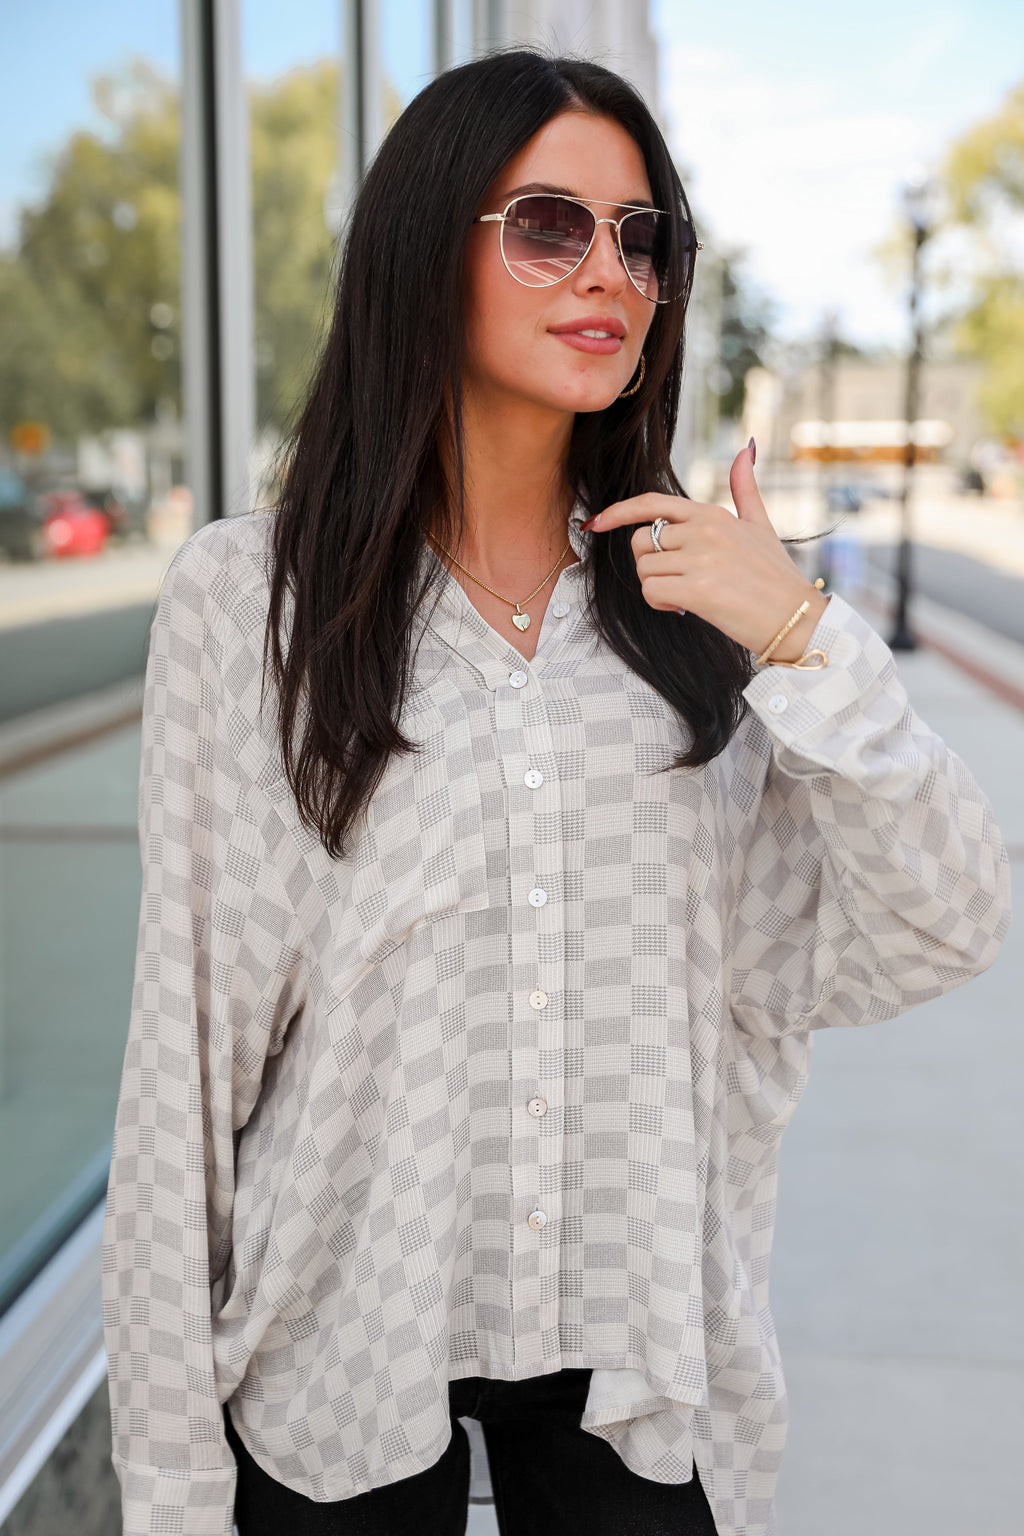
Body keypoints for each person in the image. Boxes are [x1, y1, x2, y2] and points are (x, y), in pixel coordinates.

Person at [101, 49, 1010, 1536]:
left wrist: (802, 634)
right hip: (334, 1368)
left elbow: (951, 919)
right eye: (549, 225)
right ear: (424, 249)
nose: (610, 270)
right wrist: (171, 1491)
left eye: (643, 236)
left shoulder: (704, 623)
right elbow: (184, 1080)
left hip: (640, 1378)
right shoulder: (250, 602)